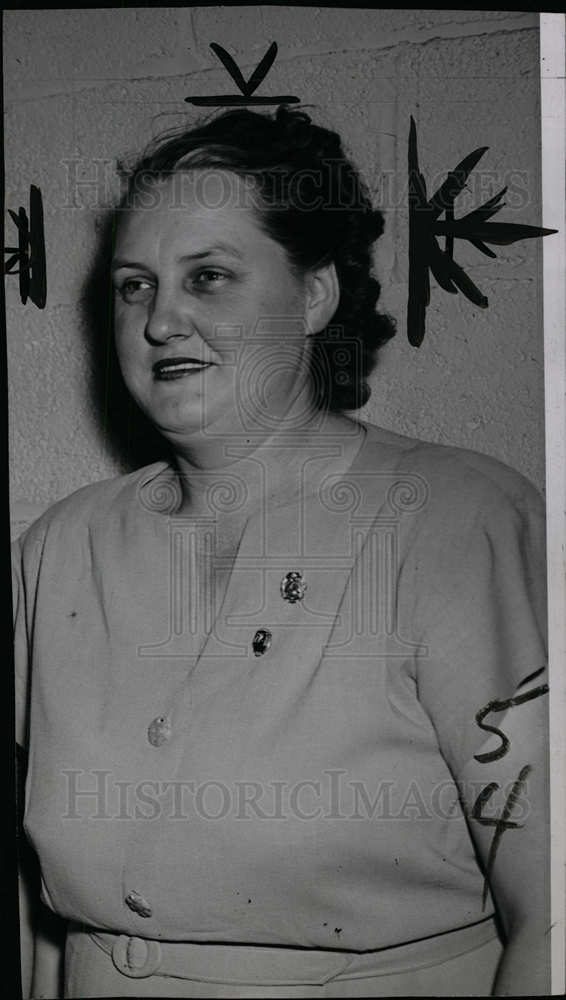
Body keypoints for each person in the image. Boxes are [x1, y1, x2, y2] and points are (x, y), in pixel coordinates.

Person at [12, 105, 549, 998]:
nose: (161, 322)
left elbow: (552, 916)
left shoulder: (461, 523)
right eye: (134, 285)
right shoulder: (61, 549)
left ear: (314, 295)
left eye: (210, 276)